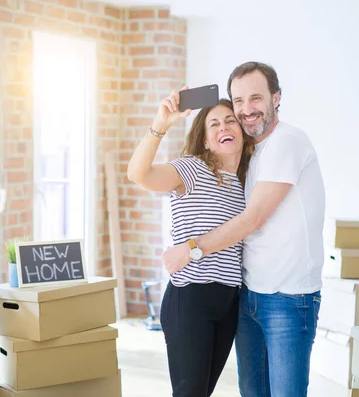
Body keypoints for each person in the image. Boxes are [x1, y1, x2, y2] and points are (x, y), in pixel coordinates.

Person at [162, 62, 326, 397]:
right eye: (238, 101)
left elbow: (252, 219)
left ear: (276, 98)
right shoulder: (248, 156)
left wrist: (191, 248)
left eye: (256, 98)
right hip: (249, 295)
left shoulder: (287, 142)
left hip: (287, 298)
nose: (247, 109)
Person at [127, 88, 254, 397]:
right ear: (206, 139)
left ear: (241, 131)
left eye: (230, 121)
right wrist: (161, 123)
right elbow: (137, 173)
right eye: (214, 124)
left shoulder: (249, 183)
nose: (224, 127)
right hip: (191, 298)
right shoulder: (192, 168)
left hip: (229, 301)